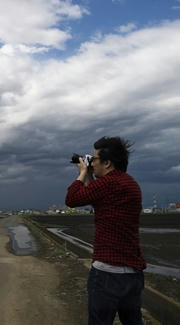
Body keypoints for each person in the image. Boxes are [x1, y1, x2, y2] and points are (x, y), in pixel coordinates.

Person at [65, 136, 146, 325]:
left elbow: (72, 199)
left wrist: (82, 173)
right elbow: (98, 197)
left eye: (94, 160)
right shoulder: (130, 183)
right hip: (133, 273)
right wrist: (91, 176)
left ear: (107, 163)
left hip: (107, 272)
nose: (92, 163)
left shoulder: (108, 184)